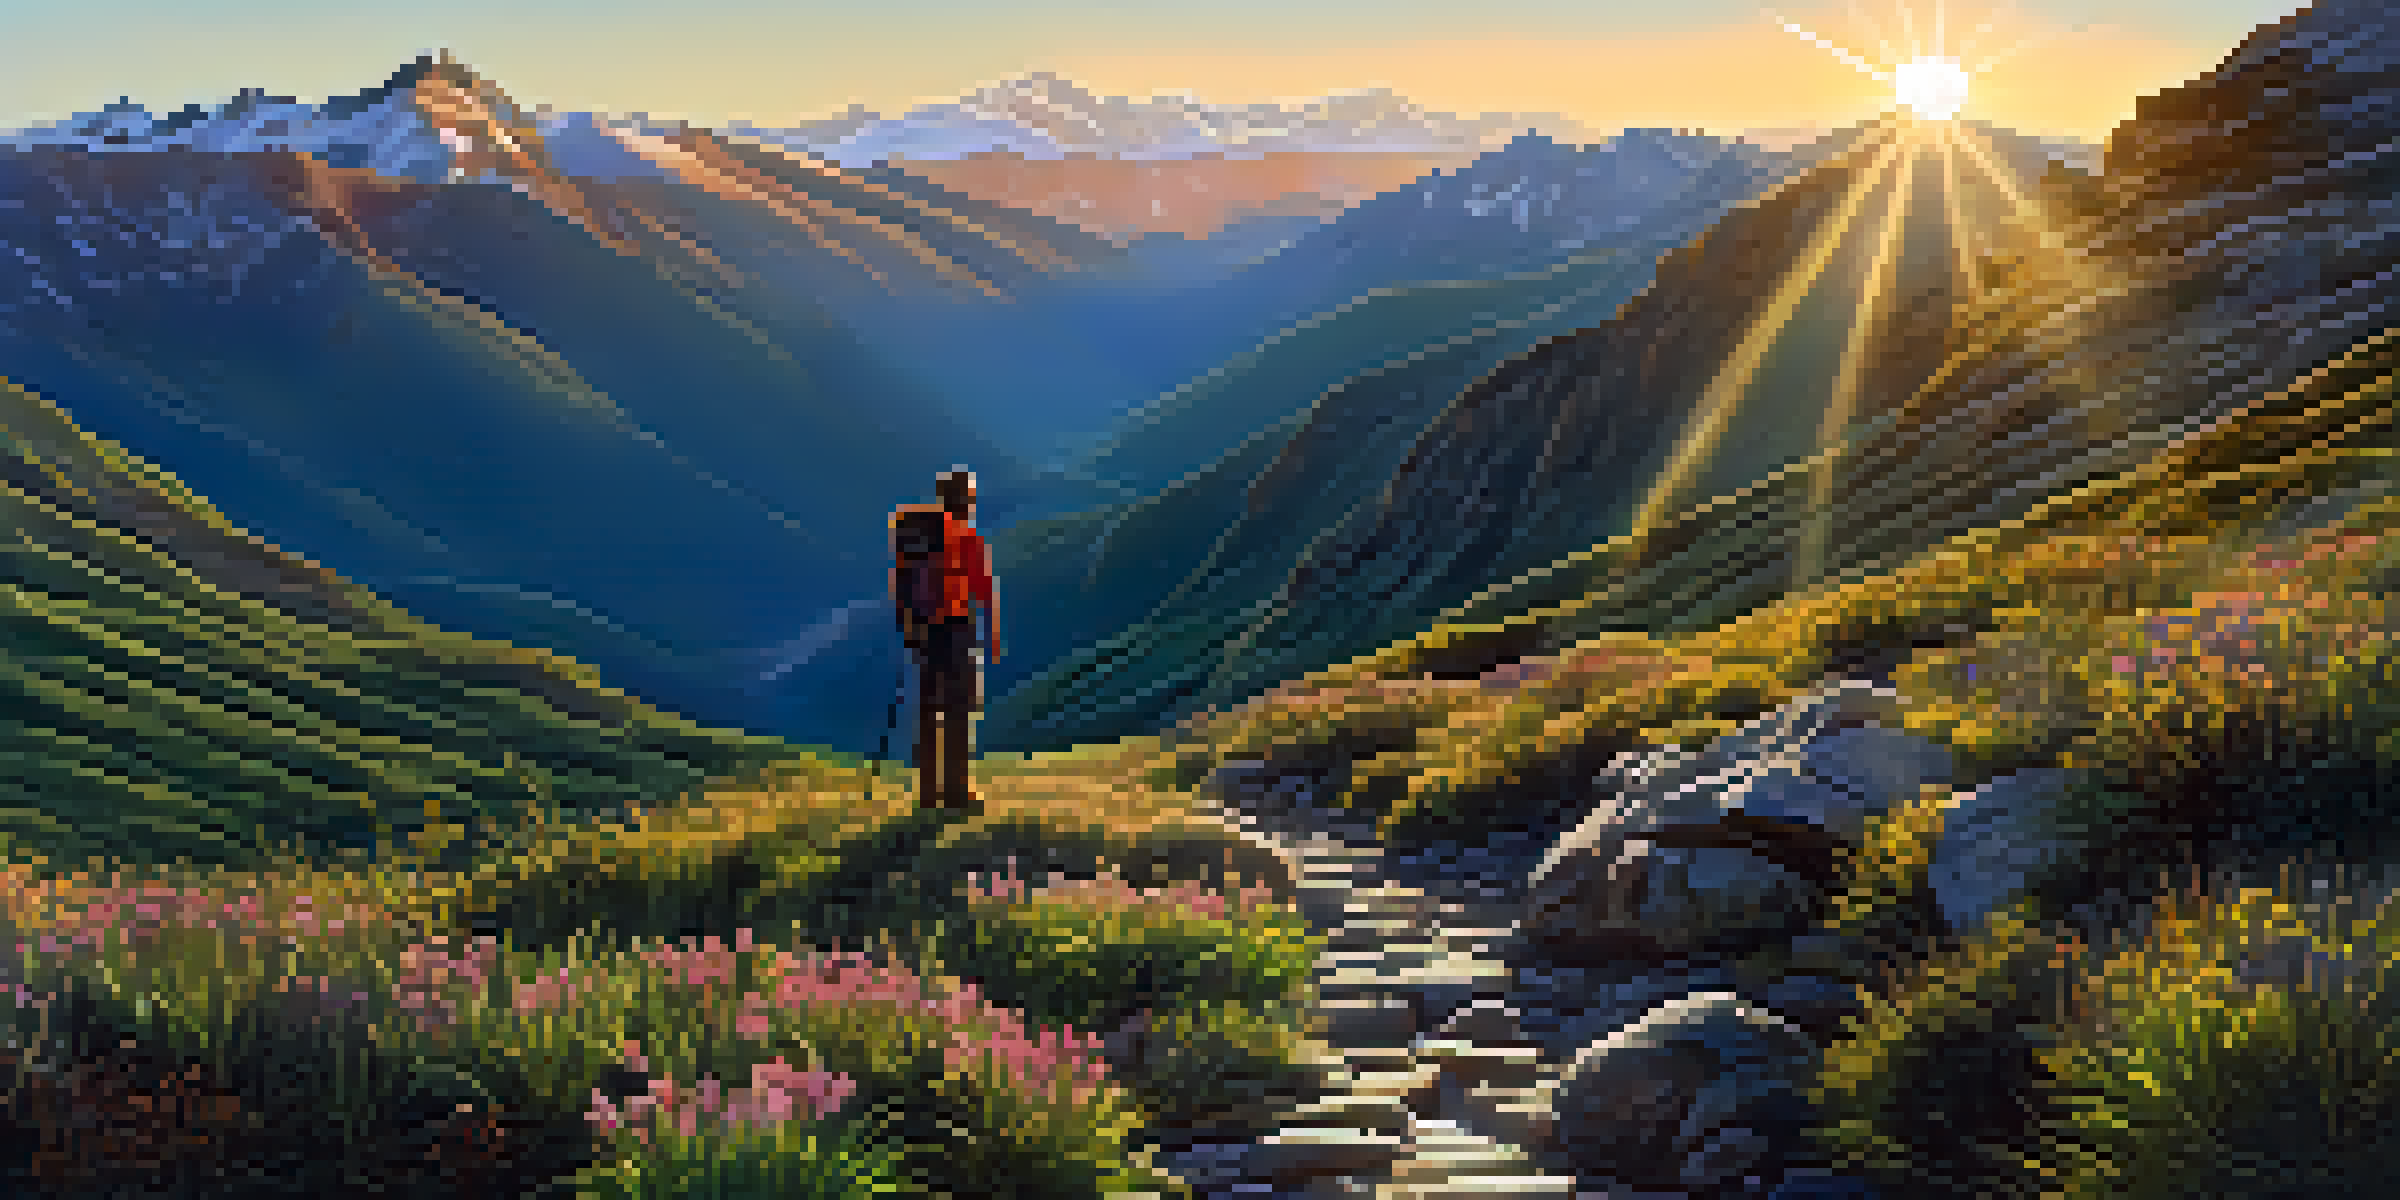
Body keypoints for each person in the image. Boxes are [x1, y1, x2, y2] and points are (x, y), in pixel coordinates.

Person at [891, 467, 1000, 810]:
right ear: (965, 499)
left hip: (924, 630)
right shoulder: (967, 537)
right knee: (958, 709)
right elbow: (984, 589)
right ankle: (956, 790)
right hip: (957, 628)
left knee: (928, 709)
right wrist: (993, 637)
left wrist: (910, 625)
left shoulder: (916, 537)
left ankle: (927, 791)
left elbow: (901, 581)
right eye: (971, 495)